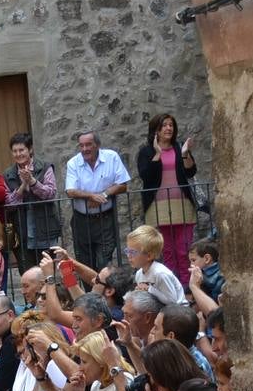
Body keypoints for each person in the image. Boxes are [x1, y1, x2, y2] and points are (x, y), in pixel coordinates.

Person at [136, 113, 198, 285]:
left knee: (184, 248)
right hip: (157, 207)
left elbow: (190, 172)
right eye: (164, 125)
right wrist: (157, 154)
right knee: (168, 250)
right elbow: (146, 176)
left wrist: (185, 154)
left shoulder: (179, 148)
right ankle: (173, 286)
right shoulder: (146, 151)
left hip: (182, 205)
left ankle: (188, 286)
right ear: (156, 129)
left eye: (171, 125)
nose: (168, 128)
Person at [64, 131, 131, 272]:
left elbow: (123, 185)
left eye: (88, 144)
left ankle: (104, 293)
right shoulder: (73, 163)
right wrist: (90, 196)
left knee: (103, 261)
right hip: (81, 220)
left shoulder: (111, 157)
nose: (84, 149)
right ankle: (90, 294)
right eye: (81, 145)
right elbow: (70, 190)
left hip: (105, 219)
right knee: (84, 262)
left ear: (97, 145)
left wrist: (103, 195)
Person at [3, 132, 62, 269]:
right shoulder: (8, 174)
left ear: (30, 150)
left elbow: (50, 193)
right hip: (21, 231)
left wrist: (33, 181)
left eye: (21, 150)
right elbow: (9, 203)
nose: (18, 154)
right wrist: (23, 186)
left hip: (45, 228)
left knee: (47, 273)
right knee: (27, 273)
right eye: (15, 151)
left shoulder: (45, 167)